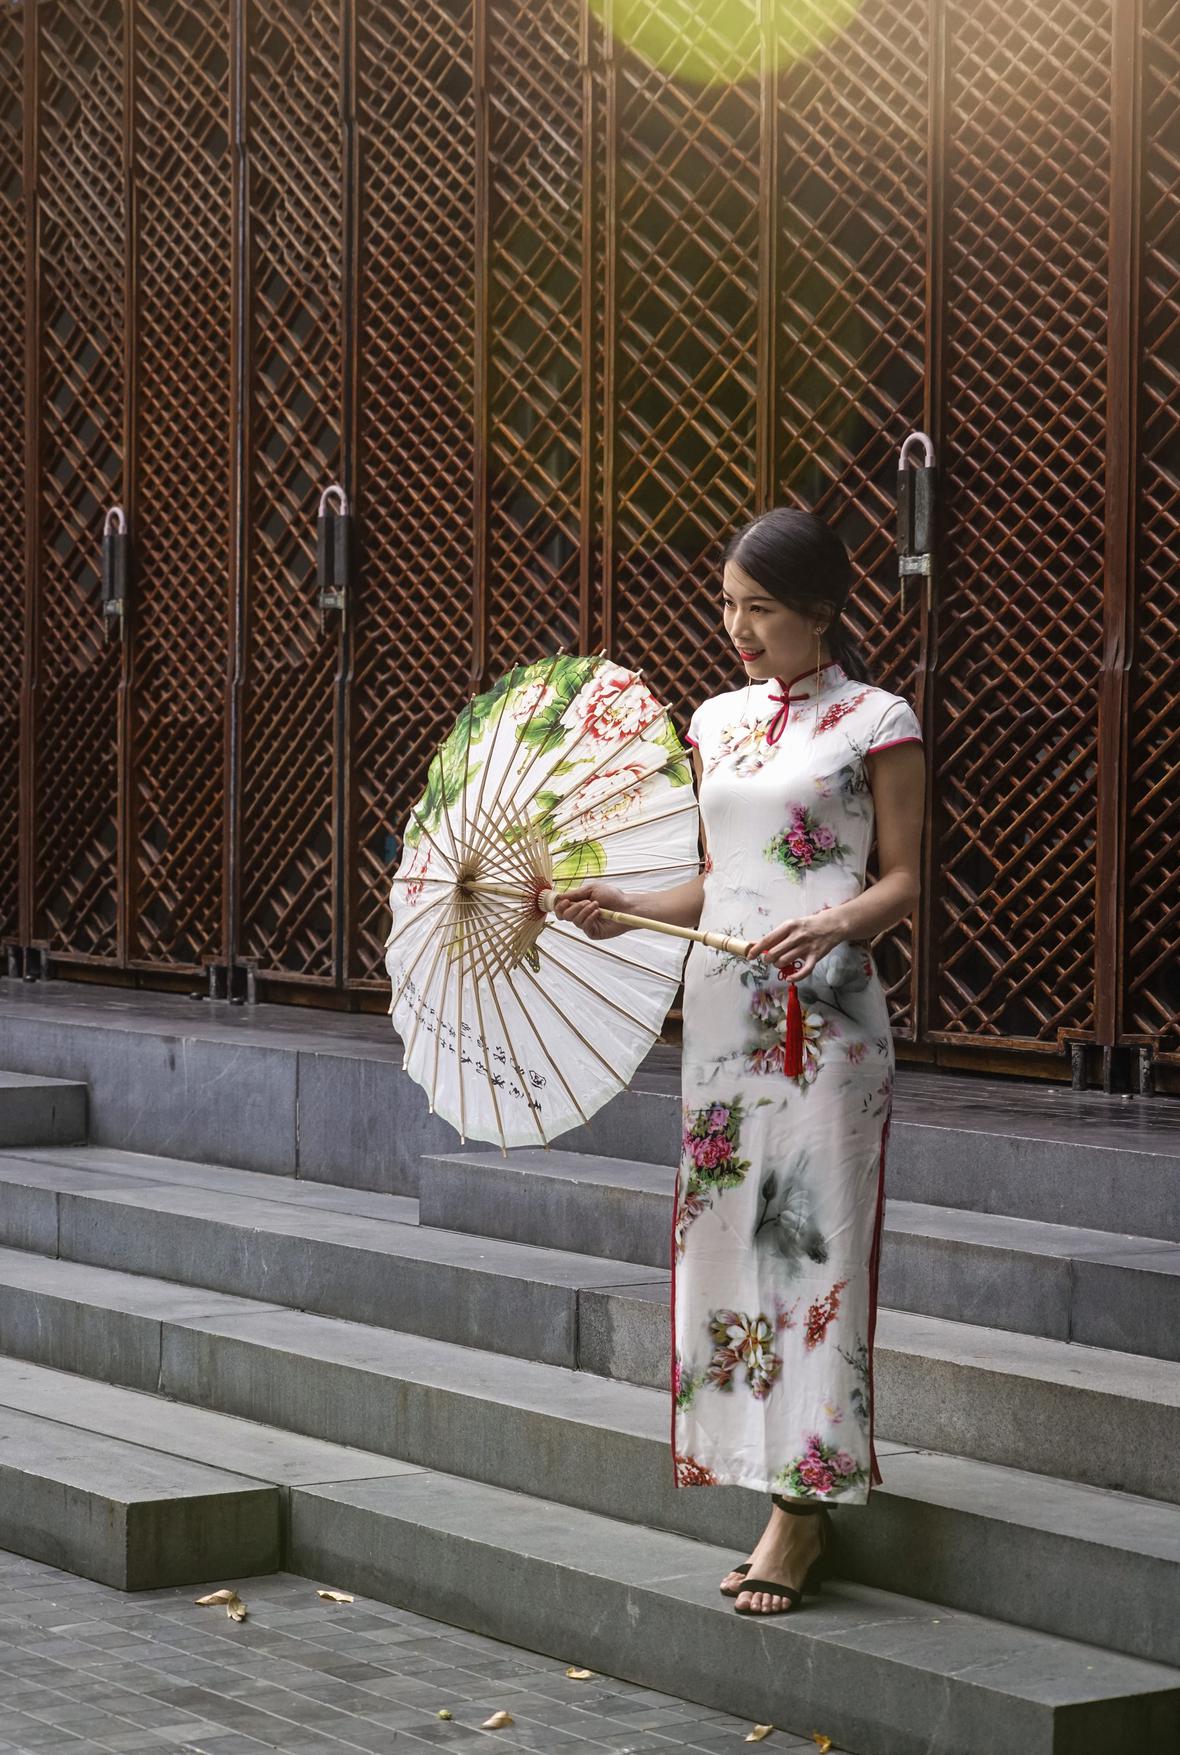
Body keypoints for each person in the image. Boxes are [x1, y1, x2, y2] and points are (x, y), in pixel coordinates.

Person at [554, 506, 926, 1616]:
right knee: (723, 1250)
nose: (737, 628)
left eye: (759, 608)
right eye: (727, 605)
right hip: (722, 1018)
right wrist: (623, 901)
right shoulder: (715, 722)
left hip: (825, 1021)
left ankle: (800, 1512)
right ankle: (761, 1473)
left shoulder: (878, 718)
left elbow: (905, 880)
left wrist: (837, 922)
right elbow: (717, 881)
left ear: (822, 608)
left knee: (812, 1253)